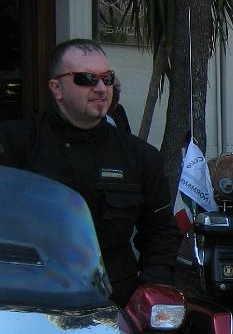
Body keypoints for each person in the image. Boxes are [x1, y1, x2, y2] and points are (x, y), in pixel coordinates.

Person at [0, 38, 177, 307]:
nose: (100, 88)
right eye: (85, 78)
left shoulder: (139, 156)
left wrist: (149, 293)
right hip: (32, 299)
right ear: (56, 88)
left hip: (114, 304)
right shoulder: (17, 144)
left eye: (107, 79)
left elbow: (160, 231)